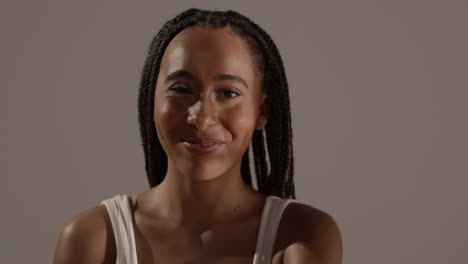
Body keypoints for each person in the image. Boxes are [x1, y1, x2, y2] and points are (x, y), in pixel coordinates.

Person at [53, 8, 342, 264]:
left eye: (228, 93)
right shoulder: (93, 240)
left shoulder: (300, 236)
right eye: (180, 89)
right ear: (151, 102)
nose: (201, 118)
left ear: (261, 112)